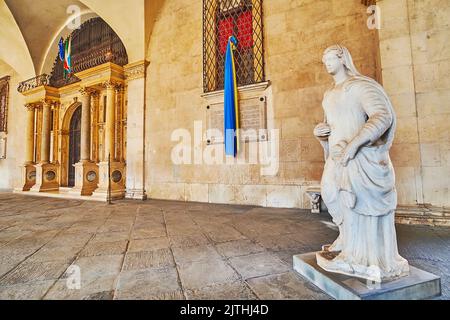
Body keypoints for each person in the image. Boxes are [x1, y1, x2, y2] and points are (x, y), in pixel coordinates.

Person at [313, 45, 409, 282]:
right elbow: (332, 125)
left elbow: (382, 116)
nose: (326, 62)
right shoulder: (329, 94)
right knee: (330, 192)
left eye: (331, 58)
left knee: (354, 200)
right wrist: (320, 134)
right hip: (337, 156)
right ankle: (346, 240)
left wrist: (355, 144)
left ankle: (361, 256)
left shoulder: (360, 87)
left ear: (343, 59)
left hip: (359, 158)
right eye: (324, 59)